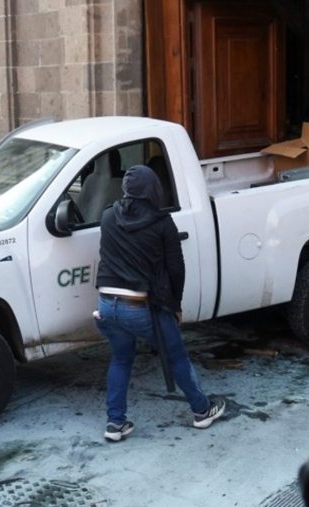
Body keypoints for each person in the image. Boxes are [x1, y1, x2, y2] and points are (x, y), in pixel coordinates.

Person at [94, 164, 225, 442]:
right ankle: (202, 411)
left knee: (120, 358)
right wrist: (175, 305)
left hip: (106, 305)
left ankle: (115, 424)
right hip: (141, 307)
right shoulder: (162, 223)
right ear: (154, 189)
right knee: (176, 355)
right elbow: (176, 269)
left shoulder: (107, 217)